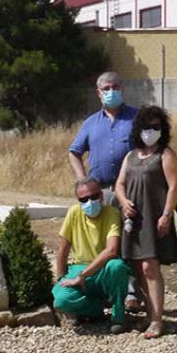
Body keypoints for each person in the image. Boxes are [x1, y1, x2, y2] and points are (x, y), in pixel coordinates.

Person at [68, 71, 141, 309]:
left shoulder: (137, 118)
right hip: (100, 193)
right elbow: (74, 152)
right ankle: (108, 290)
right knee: (108, 242)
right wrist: (83, 181)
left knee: (131, 240)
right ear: (99, 93)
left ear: (122, 89)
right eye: (106, 88)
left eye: (115, 87)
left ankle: (132, 293)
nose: (111, 92)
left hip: (130, 191)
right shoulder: (91, 123)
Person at [115, 105, 177, 339]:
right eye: (146, 126)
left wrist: (166, 214)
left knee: (150, 268)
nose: (151, 131)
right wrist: (123, 201)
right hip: (133, 219)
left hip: (154, 216)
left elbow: (174, 186)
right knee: (137, 268)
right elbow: (120, 183)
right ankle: (148, 312)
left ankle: (157, 319)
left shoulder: (165, 154)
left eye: (156, 126)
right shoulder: (131, 155)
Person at [52, 177, 131, 334]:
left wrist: (83, 275)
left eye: (94, 197)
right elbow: (63, 248)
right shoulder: (74, 212)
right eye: (84, 199)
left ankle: (118, 317)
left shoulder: (112, 213)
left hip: (103, 268)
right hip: (78, 267)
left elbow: (112, 250)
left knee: (117, 266)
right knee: (61, 300)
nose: (89, 202)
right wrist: (61, 278)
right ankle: (95, 309)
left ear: (101, 195)